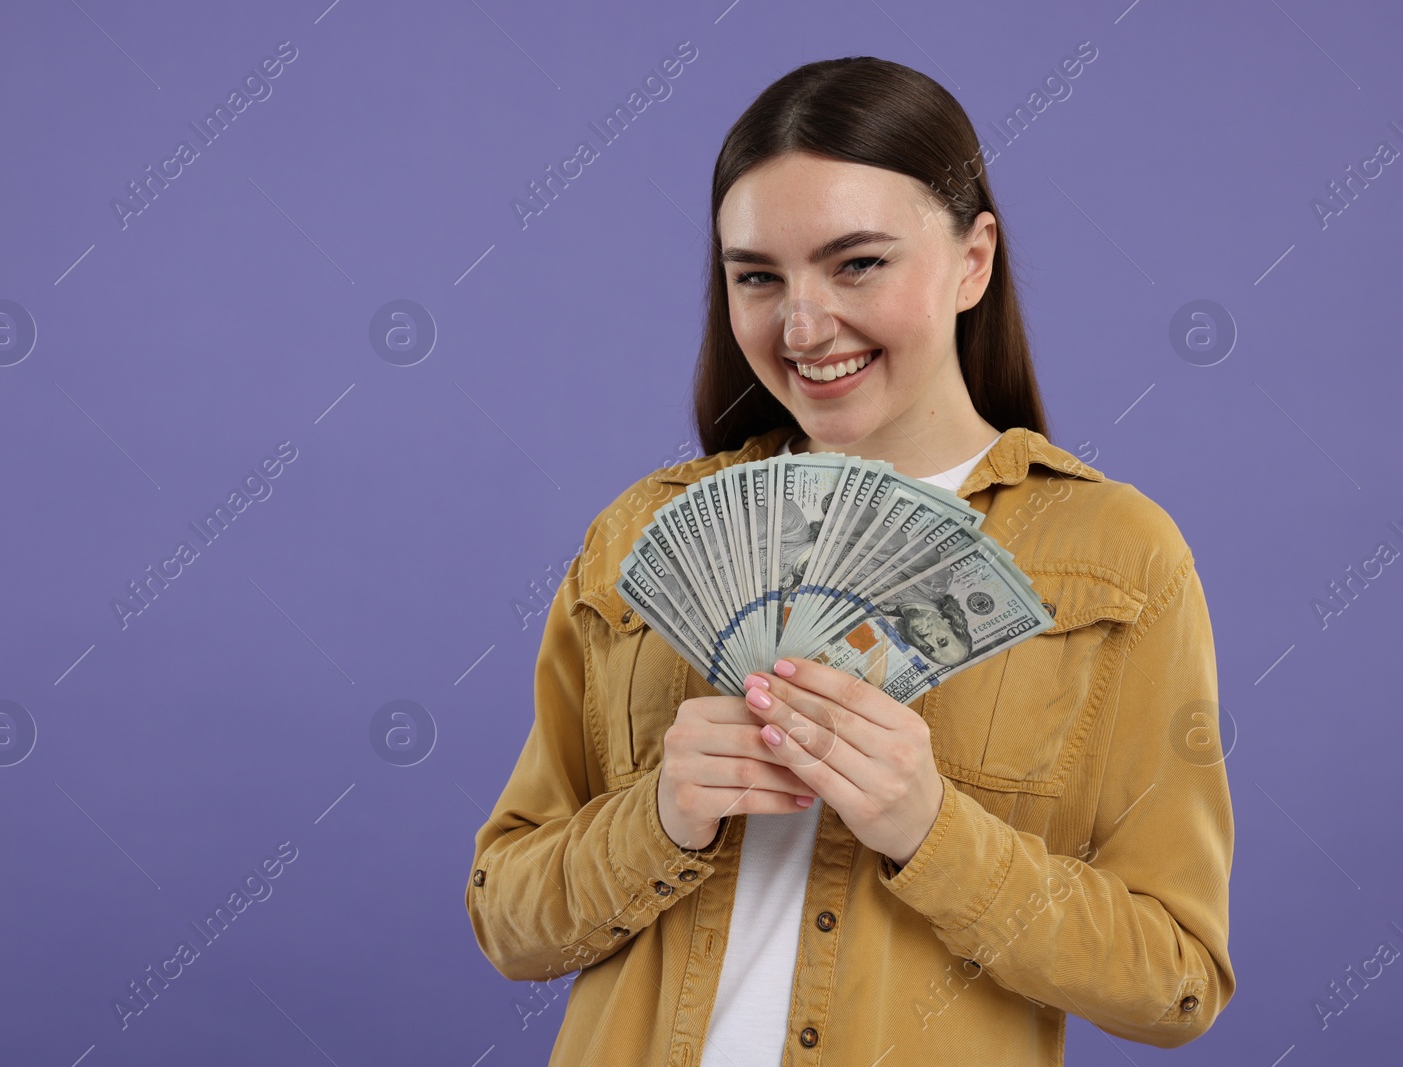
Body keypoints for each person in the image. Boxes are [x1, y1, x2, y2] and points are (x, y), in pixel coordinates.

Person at [466, 55, 1233, 1066]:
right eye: (756, 277)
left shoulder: (1118, 559)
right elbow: (506, 919)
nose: (801, 324)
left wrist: (931, 827)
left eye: (857, 263)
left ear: (973, 259)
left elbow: (1172, 980)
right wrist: (657, 817)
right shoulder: (634, 540)